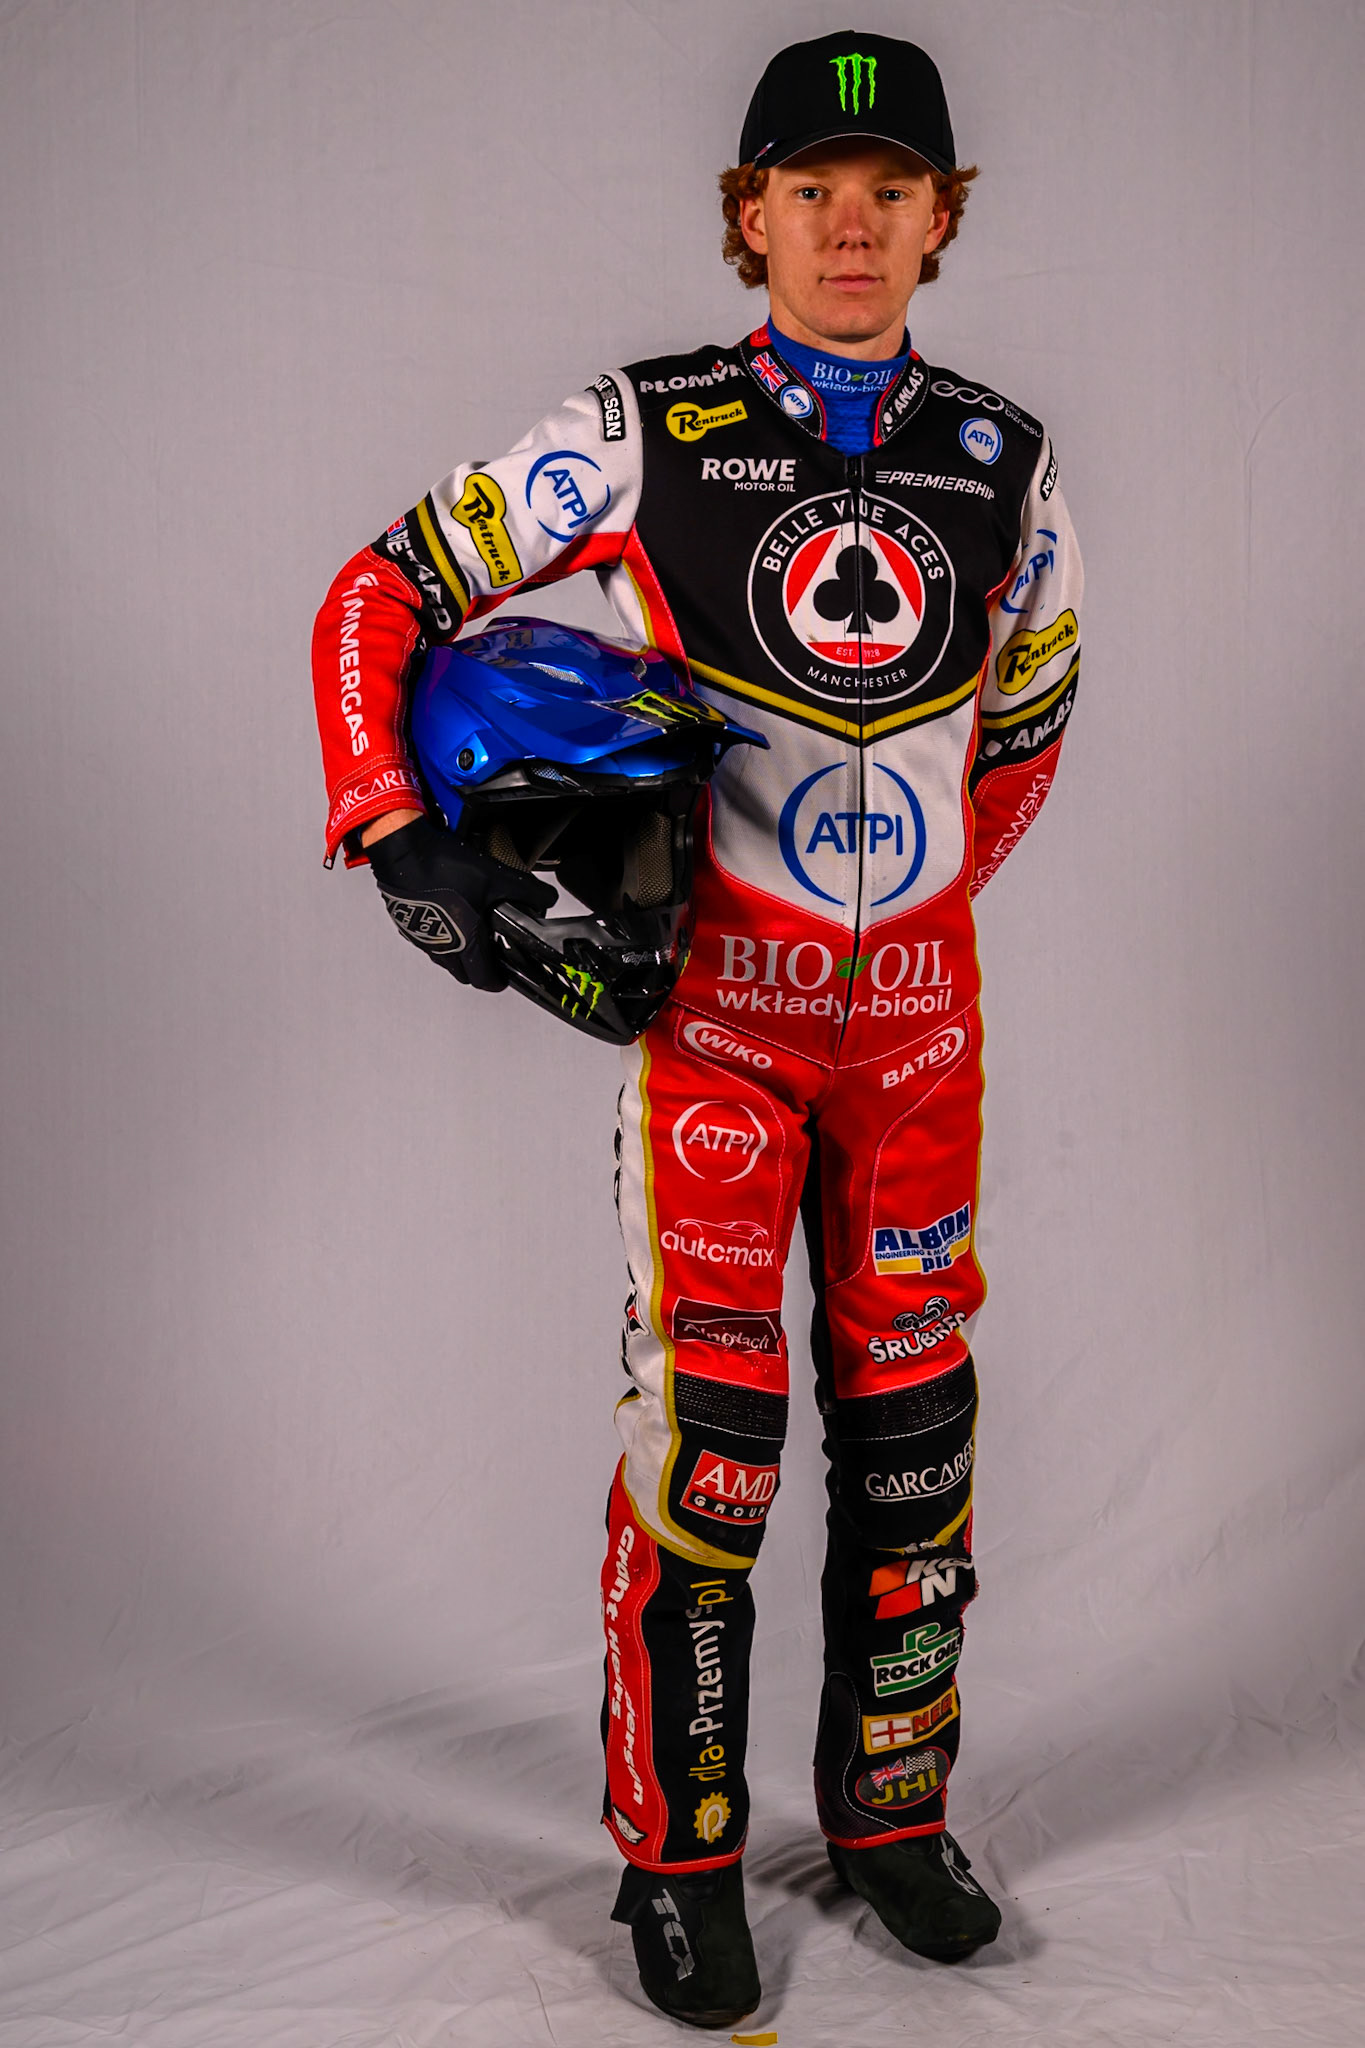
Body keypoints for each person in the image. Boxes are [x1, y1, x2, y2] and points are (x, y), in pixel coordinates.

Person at [312, 28, 1082, 2029]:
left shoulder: (1003, 458)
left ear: (939, 219)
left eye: (889, 191)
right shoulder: (642, 424)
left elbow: (1026, 725)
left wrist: (895, 929)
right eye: (809, 193)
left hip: (917, 1035)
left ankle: (891, 1819)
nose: (850, 225)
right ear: (746, 219)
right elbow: (375, 594)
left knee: (912, 1440)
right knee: (715, 1444)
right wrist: (395, 827)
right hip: (716, 1040)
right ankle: (676, 1856)